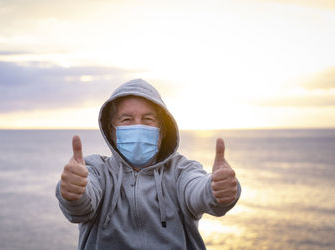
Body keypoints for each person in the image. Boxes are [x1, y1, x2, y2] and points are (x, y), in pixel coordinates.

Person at [56, 79, 241, 250]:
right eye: (127, 119)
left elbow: (198, 191)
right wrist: (73, 193)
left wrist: (217, 190)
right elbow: (80, 207)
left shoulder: (181, 170)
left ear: (162, 130)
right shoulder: (98, 170)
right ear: (112, 130)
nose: (138, 126)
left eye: (148, 119)